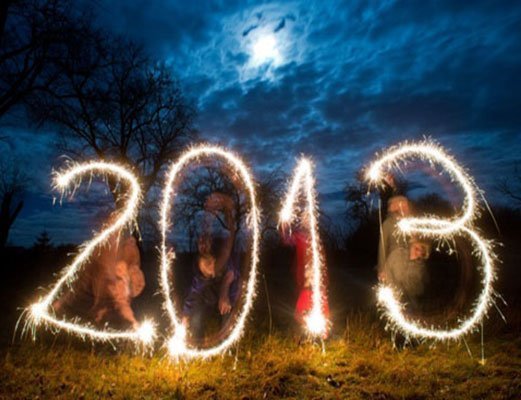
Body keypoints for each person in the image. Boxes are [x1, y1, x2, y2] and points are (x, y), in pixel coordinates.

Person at [53, 216, 145, 329]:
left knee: (115, 316)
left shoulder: (128, 249)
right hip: (100, 304)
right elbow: (80, 280)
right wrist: (62, 301)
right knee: (101, 318)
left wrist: (131, 280)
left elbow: (134, 275)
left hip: (114, 301)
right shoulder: (99, 251)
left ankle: (126, 326)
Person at [181, 192, 239, 343]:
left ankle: (227, 341)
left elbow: (232, 270)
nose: (202, 245)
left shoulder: (222, 253)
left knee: (227, 310)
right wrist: (185, 316)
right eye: (206, 268)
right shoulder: (200, 273)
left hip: (229, 295)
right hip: (211, 297)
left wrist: (223, 209)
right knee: (196, 314)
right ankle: (196, 342)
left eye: (204, 242)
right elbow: (193, 294)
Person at [279, 214, 330, 337]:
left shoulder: (316, 238)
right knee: (304, 307)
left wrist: (321, 276)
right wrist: (283, 223)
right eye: (304, 219)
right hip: (305, 278)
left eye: (309, 219)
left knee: (317, 305)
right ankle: (310, 330)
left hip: (316, 279)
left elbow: (321, 258)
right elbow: (286, 240)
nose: (307, 221)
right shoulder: (299, 236)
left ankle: (320, 331)